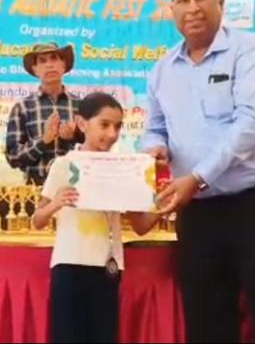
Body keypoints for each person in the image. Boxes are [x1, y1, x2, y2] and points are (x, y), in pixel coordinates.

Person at [144, 0, 255, 342]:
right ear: (171, 9)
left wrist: (198, 176)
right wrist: (153, 149)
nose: (193, 8)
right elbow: (155, 127)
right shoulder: (162, 70)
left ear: (221, 2)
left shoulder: (251, 50)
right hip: (198, 215)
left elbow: (251, 122)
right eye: (183, 0)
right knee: (207, 327)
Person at [32, 92, 159, 343]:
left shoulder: (124, 169)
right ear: (82, 123)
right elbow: (38, 219)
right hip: (70, 264)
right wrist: (56, 203)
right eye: (104, 124)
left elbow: (141, 226)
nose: (111, 133)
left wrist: (162, 204)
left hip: (107, 267)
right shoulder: (64, 165)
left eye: (117, 126)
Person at [6, 42, 83, 186]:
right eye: (42, 61)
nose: (49, 65)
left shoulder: (81, 106)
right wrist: (44, 141)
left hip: (74, 188)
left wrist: (72, 138)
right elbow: (13, 158)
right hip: (36, 189)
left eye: (54, 58)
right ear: (35, 70)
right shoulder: (22, 107)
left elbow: (93, 152)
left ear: (63, 65)